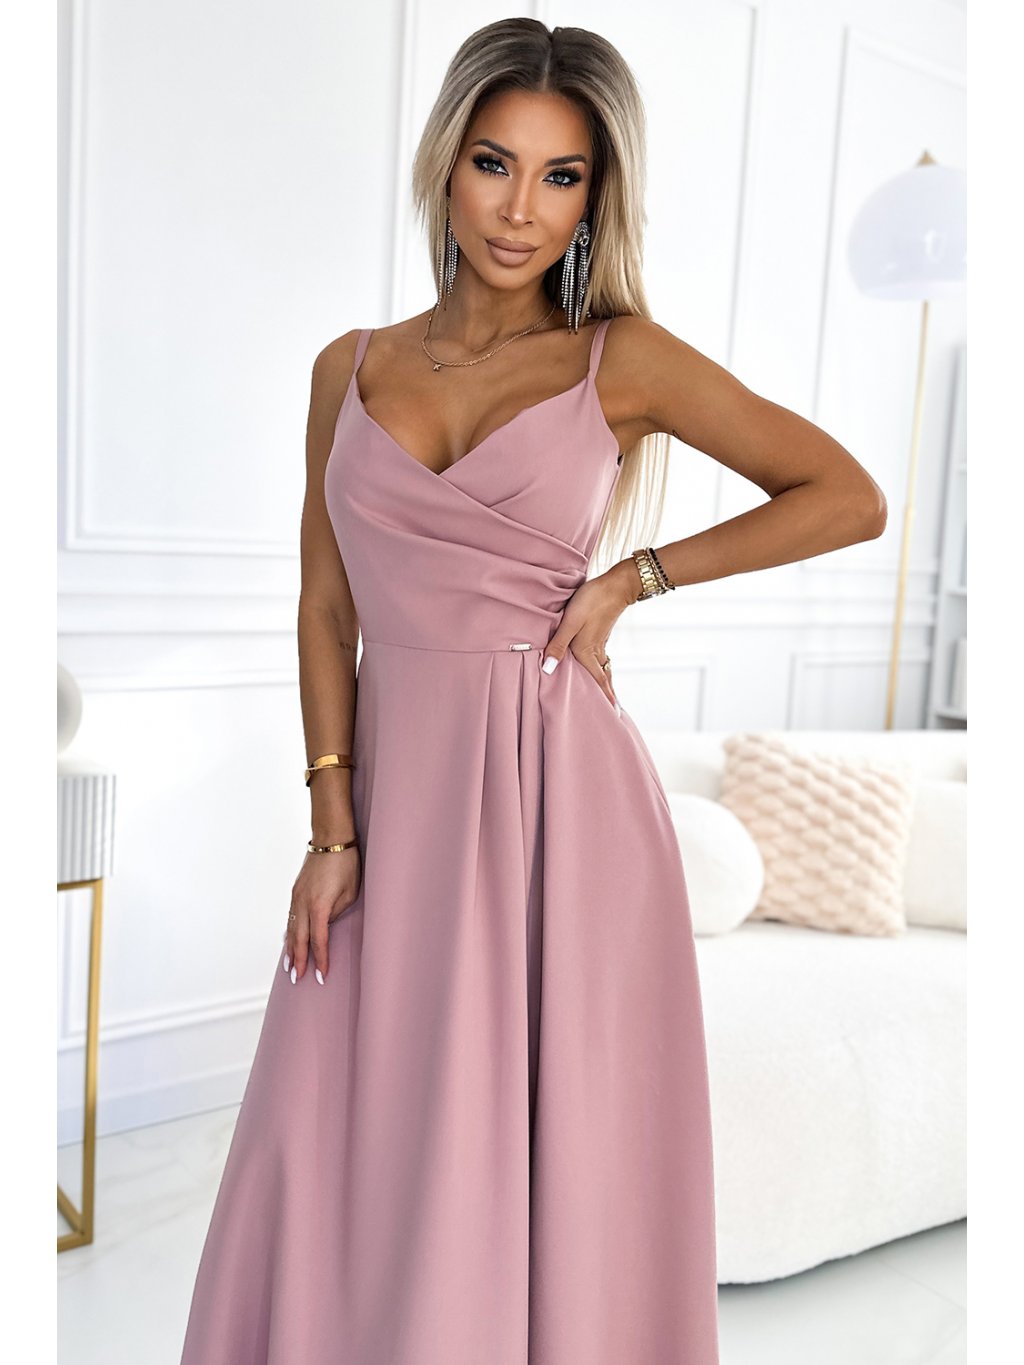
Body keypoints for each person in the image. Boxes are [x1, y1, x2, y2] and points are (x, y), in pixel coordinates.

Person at [179, 18, 885, 1365]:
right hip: (398, 792)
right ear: (445, 164)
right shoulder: (350, 366)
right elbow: (327, 605)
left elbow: (846, 495)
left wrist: (634, 579)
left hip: (558, 797)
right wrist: (331, 828)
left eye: (562, 176)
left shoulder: (623, 358)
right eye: (495, 163)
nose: (520, 209)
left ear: (596, 197)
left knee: (549, 1136)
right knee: (332, 1120)